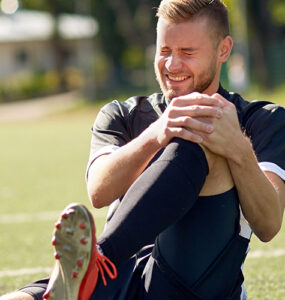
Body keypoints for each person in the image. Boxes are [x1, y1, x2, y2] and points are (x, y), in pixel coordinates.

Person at [2, 0, 285, 299]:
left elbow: (268, 224)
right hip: (118, 275)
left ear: (223, 49)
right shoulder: (122, 113)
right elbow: (99, 191)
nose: (172, 64)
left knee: (204, 123)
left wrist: (238, 149)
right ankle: (96, 267)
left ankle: (99, 259)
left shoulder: (263, 119)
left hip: (191, 281)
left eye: (187, 53)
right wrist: (156, 135)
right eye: (164, 51)